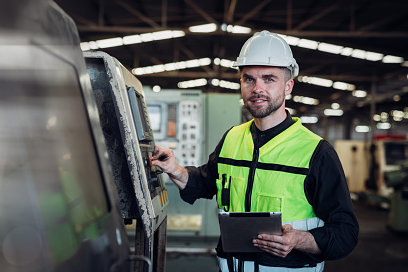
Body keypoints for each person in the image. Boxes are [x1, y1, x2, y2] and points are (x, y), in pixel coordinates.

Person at [151, 30, 359, 272]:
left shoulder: (316, 152)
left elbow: (346, 232)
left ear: (288, 86)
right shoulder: (233, 137)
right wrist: (174, 169)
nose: (257, 88)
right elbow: (207, 182)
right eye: (249, 79)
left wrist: (299, 240)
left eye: (269, 79)